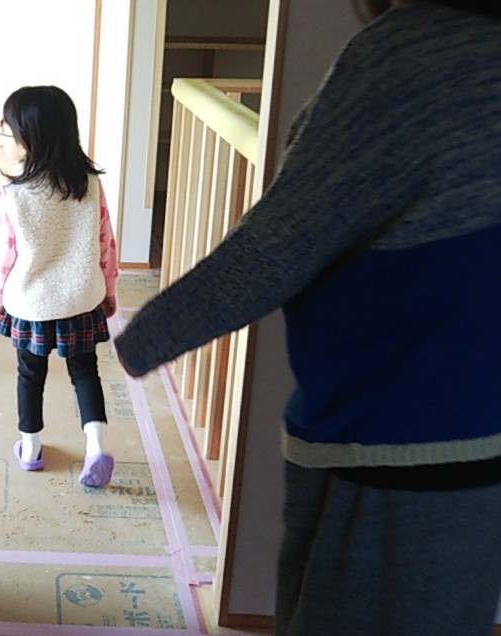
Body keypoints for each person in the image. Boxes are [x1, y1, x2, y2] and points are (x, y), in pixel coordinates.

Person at [113, 1, 501, 634]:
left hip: (391, 445)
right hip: (478, 443)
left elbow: (278, 246)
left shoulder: (409, 56)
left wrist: (139, 339)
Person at [0, 86, 120, 488]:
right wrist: (109, 289)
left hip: (32, 303)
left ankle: (30, 448)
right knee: (85, 371)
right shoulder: (89, 184)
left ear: (29, 139)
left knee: (30, 374)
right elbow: (105, 243)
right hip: (82, 298)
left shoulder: (12, 194)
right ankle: (96, 446)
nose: (4, 136)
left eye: (6, 129)